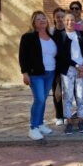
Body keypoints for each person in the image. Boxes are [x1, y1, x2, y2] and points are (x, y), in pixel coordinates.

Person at [19, 11, 57, 140]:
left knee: (43, 99)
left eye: (44, 18)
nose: (42, 20)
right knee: (39, 99)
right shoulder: (28, 37)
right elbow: (22, 57)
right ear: (33, 22)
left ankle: (40, 124)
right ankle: (33, 127)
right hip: (36, 73)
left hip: (50, 72)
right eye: (38, 19)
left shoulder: (51, 36)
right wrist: (25, 73)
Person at [54, 13, 83, 134]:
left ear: (75, 21)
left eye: (72, 20)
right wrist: (77, 66)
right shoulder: (60, 35)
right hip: (68, 69)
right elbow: (61, 56)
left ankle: (81, 120)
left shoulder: (80, 34)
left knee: (81, 95)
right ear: (64, 21)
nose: (70, 22)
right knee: (68, 96)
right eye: (67, 20)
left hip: (82, 70)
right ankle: (68, 121)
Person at [50, 8, 66, 126]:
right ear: (54, 18)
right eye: (58, 16)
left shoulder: (70, 31)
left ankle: (71, 114)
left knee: (72, 92)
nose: (60, 19)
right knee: (57, 91)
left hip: (68, 67)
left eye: (62, 16)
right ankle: (59, 115)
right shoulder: (50, 32)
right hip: (54, 67)